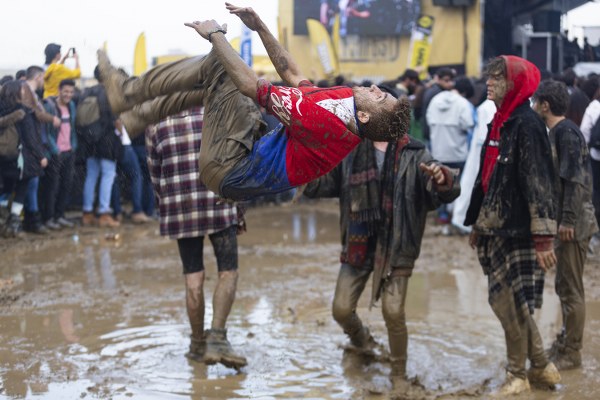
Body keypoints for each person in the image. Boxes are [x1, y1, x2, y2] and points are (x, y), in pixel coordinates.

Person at [97, 3, 410, 201]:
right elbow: (292, 72)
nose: (373, 87)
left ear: (367, 117)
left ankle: (127, 92)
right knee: (219, 82)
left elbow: (250, 84)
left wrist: (215, 35)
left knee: (222, 66)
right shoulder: (344, 105)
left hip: (230, 167)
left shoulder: (325, 124)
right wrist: (260, 27)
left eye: (378, 96)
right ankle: (137, 115)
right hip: (242, 157)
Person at [304, 129, 460, 395]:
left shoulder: (414, 152)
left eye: (384, 100)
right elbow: (324, 184)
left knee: (394, 311)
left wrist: (442, 180)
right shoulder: (349, 147)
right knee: (341, 310)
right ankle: (364, 343)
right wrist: (302, 164)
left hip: (397, 245)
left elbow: (438, 192)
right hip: (358, 242)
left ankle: (398, 374)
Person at [465, 55, 561, 395]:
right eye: (489, 77)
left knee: (508, 302)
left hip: (519, 230)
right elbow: (487, 179)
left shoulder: (527, 125)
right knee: (509, 302)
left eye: (497, 78)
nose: (489, 83)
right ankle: (542, 366)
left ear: (515, 85)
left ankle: (518, 375)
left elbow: (539, 184)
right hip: (495, 228)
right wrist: (477, 222)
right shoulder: (499, 122)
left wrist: (543, 239)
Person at [146, 106, 247, 370]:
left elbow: (155, 175)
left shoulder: (157, 125)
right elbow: (235, 164)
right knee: (228, 272)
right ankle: (217, 337)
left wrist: (165, 206)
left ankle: (197, 343)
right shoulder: (219, 116)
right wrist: (240, 206)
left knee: (193, 277)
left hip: (181, 208)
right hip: (219, 203)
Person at [532, 80, 598, 370]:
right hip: (566, 220)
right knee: (563, 286)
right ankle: (564, 340)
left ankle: (572, 351)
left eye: (535, 102)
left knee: (571, 289)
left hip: (574, 223)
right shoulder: (558, 132)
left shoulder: (566, 134)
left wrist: (568, 220)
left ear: (545, 105)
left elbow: (575, 180)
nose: (532, 107)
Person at [426, 76, 475, 224]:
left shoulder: (434, 101)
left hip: (438, 152)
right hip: (458, 153)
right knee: (457, 185)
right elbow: (469, 124)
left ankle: (442, 214)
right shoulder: (463, 104)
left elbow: (428, 121)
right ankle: (456, 215)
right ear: (465, 92)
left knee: (440, 184)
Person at [40, 79, 78, 229]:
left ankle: (60, 215)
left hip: (69, 151)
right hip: (55, 153)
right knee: (52, 187)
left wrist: (73, 146)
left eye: (71, 92)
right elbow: (47, 132)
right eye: (66, 91)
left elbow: (72, 128)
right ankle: (48, 218)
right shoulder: (50, 107)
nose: (68, 94)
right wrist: (55, 150)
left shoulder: (72, 106)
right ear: (59, 90)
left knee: (66, 185)